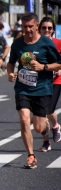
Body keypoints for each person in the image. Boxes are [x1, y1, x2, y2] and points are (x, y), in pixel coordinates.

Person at [7, 13, 61, 169]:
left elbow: (58, 64)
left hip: (42, 89)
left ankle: (45, 129)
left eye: (31, 26)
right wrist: (10, 73)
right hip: (23, 88)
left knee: (38, 127)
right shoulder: (17, 44)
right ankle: (31, 156)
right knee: (24, 118)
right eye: (25, 26)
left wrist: (43, 67)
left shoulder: (46, 43)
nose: (28, 29)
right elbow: (10, 63)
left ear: (37, 25)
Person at [38, 16, 61, 152]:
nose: (47, 30)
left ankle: (55, 125)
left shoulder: (58, 43)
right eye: (44, 28)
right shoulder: (36, 44)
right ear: (39, 29)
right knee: (41, 113)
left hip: (55, 81)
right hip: (40, 81)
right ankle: (46, 142)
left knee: (48, 110)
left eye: (49, 28)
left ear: (53, 30)